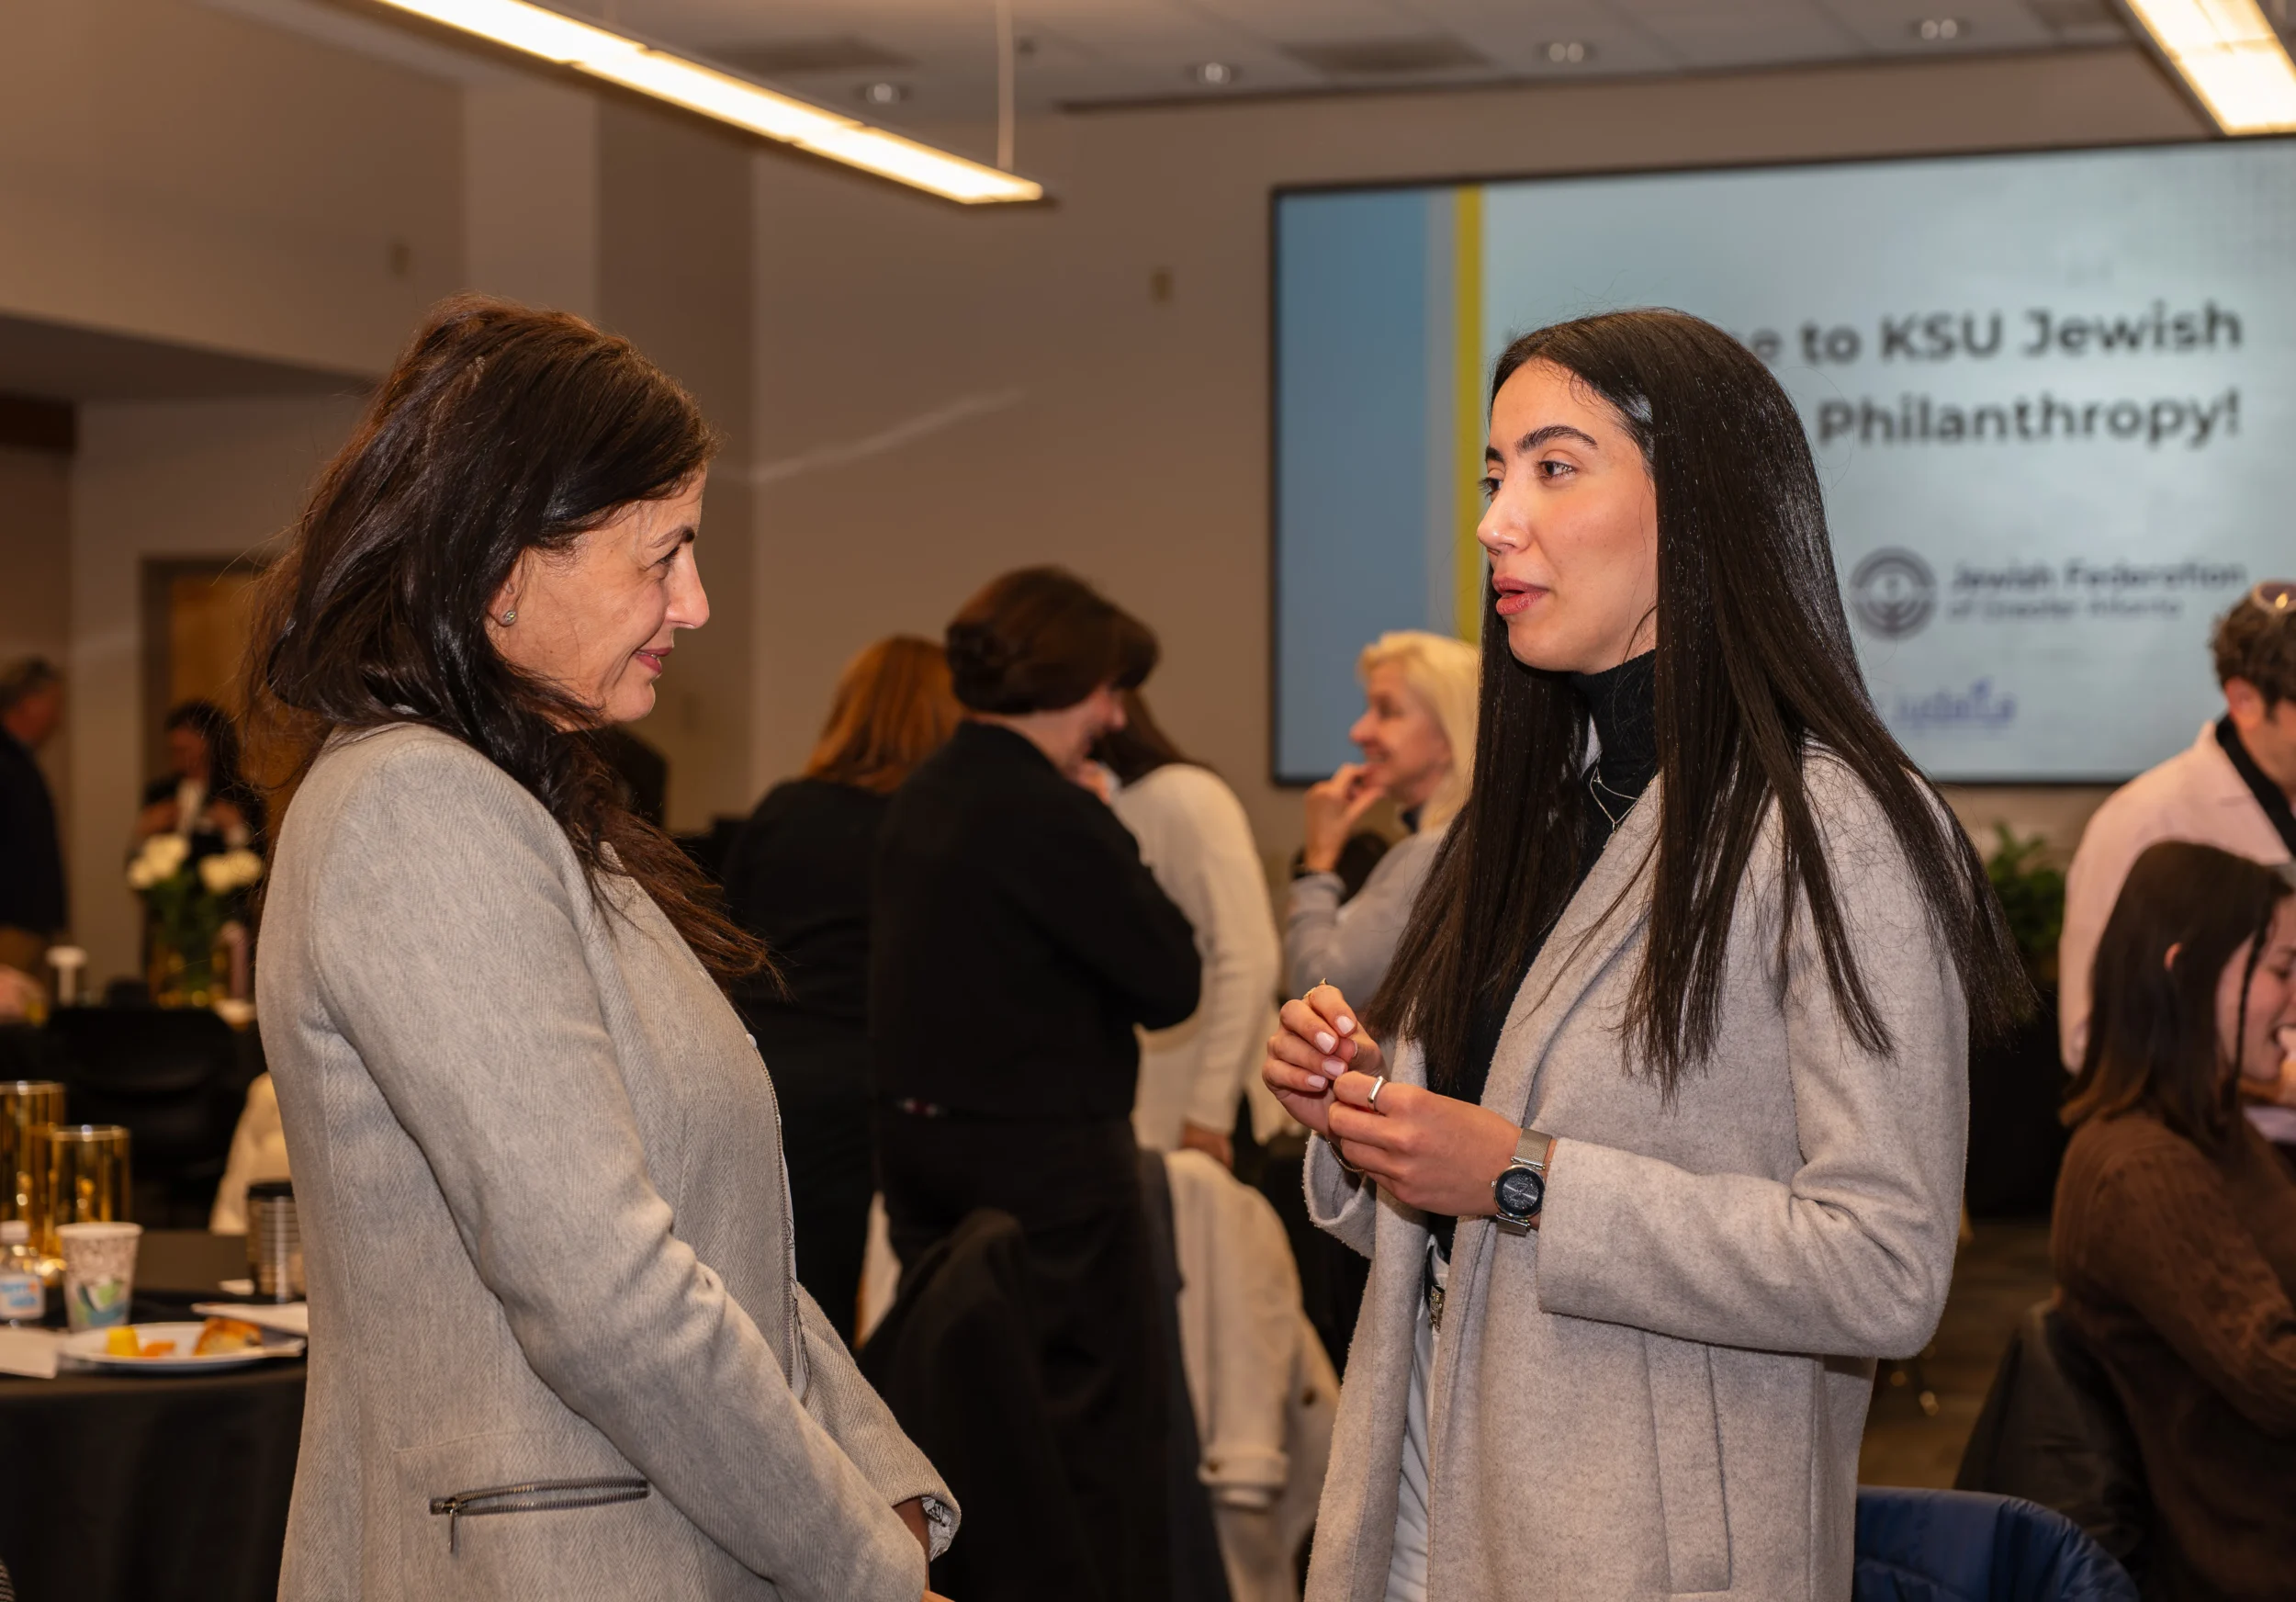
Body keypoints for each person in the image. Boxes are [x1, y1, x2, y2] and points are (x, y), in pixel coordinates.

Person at [1262, 309, 2027, 1602]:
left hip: (1652, 1555)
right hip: (1429, 1505)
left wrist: (1523, 1178)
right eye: (1496, 478)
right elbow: (1465, 1219)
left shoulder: (1832, 828)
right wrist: (1361, 1123)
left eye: (1556, 469)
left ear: (1702, 512)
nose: (1501, 522)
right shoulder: (1523, 819)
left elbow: (1887, 1266)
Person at [243, 297, 955, 1601]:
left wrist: (882, 1481)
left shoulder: (535, 803)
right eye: (661, 555)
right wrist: (863, 1562)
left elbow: (712, 1244)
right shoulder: (422, 811)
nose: (693, 602)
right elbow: (609, 1293)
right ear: (506, 565)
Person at [872, 567, 1201, 1602]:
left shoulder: (918, 797)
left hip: (925, 1162)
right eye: (1108, 689)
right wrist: (1110, 831)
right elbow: (1170, 979)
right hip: (1052, 1179)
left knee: (968, 1426)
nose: (1113, 716)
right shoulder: (1048, 813)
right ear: (1066, 681)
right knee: (1089, 1456)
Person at [2054, 840, 2296, 1601]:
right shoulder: (2142, 1169)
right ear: (2185, 969)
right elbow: (2280, 1378)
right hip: (2249, 1549)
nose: (2294, 998)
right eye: (2282, 970)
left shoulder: (2214, 1124)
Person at [721, 636, 961, 1345]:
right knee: (839, 1317)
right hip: (864, 1089)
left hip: (759, 1075)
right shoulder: (925, 829)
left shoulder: (783, 808)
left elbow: (725, 936)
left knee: (762, 1300)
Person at [2061, 585, 2296, 1142]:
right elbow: (2091, 1035)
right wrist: (2281, 1085)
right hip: (2224, 1149)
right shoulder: (2144, 820)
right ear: (2244, 699)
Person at [1097, 689, 1281, 1168]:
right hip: (1132, 1116)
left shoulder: (1183, 796)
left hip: (1195, 1117)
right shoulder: (1076, 809)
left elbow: (1248, 958)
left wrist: (1206, 1112)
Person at [1284, 631, 1477, 1001]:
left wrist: (1318, 862)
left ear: (1450, 734)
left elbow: (1319, 991)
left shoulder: (1431, 854)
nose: (1358, 732)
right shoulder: (1462, 842)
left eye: (1387, 712)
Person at [0, 658, 66, 977]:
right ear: (29, 704)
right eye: (54, 704)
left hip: (29, 923)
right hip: (10, 925)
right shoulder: (5, 761)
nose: (58, 718)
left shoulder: (20, 760)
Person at [137, 698, 264, 849]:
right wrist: (145, 831)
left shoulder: (240, 795)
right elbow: (134, 862)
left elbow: (258, 859)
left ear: (212, 741)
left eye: (191, 732)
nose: (179, 740)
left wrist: (235, 830)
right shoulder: (159, 792)